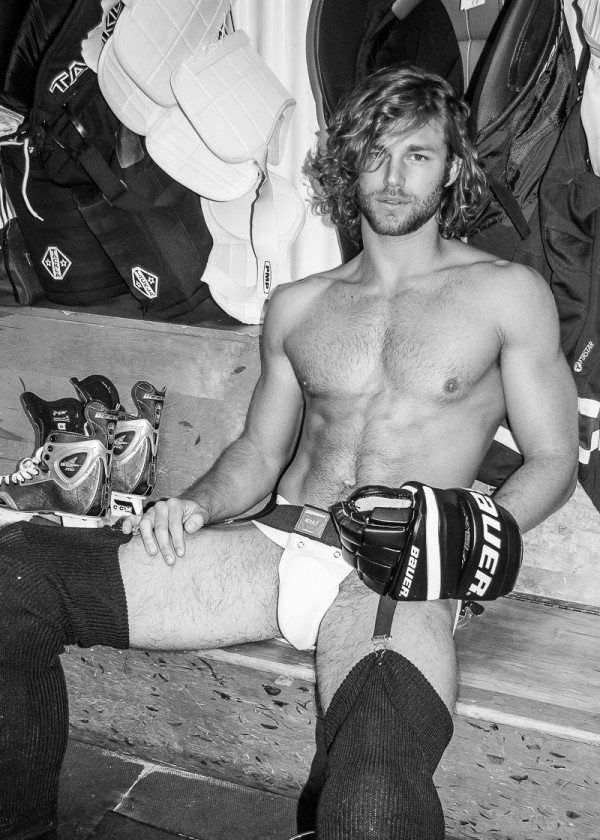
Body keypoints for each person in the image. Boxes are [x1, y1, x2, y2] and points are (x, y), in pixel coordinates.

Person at [0, 63, 578, 840]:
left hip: (398, 576)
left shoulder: (507, 293)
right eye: (375, 154)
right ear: (348, 165)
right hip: (275, 547)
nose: (394, 176)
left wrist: (476, 531)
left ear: (450, 170)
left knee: (370, 798)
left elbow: (554, 458)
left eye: (418, 155)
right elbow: (259, 452)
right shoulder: (299, 305)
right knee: (15, 576)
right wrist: (194, 505)